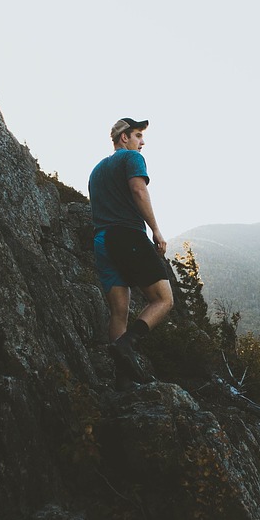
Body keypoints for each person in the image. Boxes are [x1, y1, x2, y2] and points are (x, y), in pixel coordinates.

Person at [88, 117, 174, 382]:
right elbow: (138, 190)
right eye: (137, 135)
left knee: (118, 312)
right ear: (123, 138)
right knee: (164, 299)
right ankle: (128, 344)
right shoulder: (131, 159)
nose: (142, 142)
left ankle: (122, 377)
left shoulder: (96, 171)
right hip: (126, 235)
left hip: (102, 240)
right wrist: (156, 229)